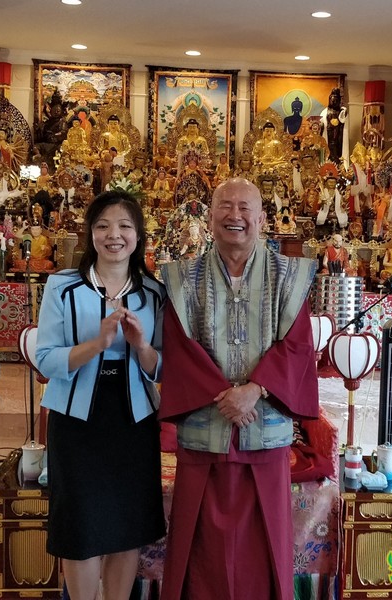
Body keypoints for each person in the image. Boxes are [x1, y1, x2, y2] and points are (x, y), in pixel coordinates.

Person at [159, 178, 319, 600]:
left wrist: (255, 389)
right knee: (198, 548)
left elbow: (298, 345)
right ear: (210, 216)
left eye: (245, 207)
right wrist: (225, 395)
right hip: (204, 431)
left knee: (264, 548)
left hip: (263, 429)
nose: (235, 215)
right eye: (225, 206)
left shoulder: (289, 276)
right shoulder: (182, 278)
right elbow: (178, 347)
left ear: (262, 218)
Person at [33, 190, 166, 600]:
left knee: (127, 526)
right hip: (76, 420)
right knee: (81, 527)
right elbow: (45, 359)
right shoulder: (63, 287)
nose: (114, 235)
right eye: (103, 225)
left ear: (138, 235)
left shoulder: (153, 293)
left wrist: (141, 346)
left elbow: (162, 367)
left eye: (125, 226)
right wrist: (97, 343)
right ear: (90, 233)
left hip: (133, 419)